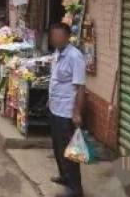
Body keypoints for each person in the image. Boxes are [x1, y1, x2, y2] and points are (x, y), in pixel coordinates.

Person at [48, 22, 86, 197]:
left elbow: (80, 88)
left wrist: (76, 112)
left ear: (67, 37)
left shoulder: (75, 56)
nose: (55, 39)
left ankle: (76, 189)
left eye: (59, 36)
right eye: (53, 36)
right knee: (57, 147)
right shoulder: (58, 52)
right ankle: (64, 177)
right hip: (54, 107)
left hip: (66, 111)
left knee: (70, 151)